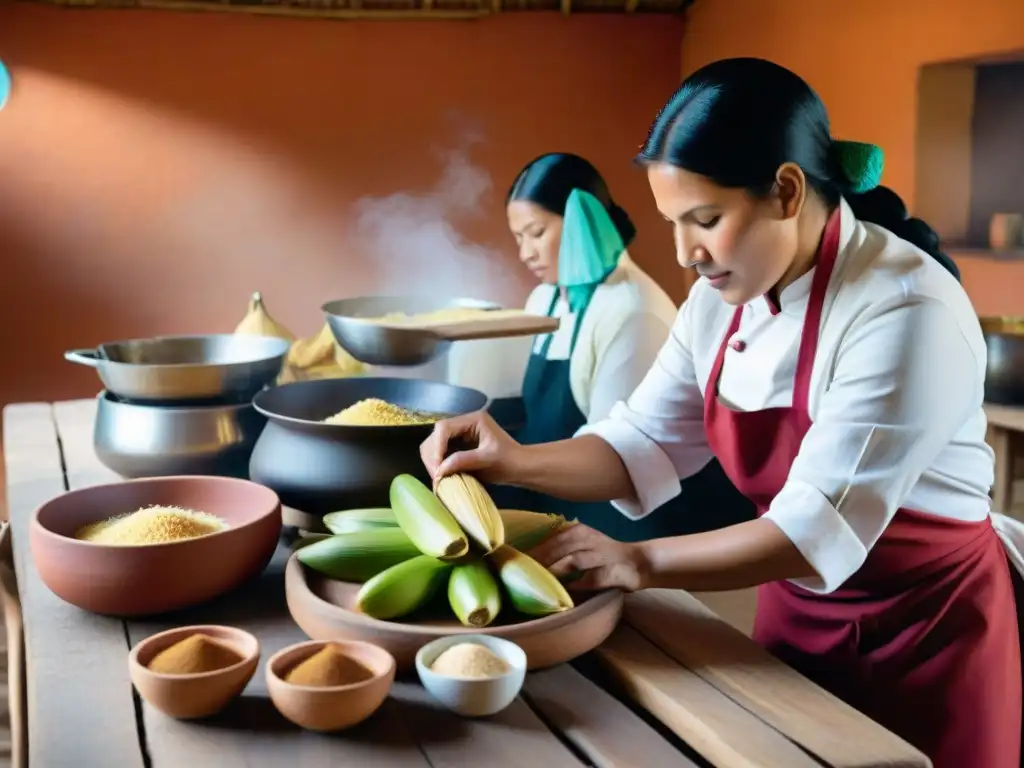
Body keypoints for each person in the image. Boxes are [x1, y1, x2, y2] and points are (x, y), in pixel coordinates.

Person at [422, 59, 1024, 767]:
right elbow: (640, 439)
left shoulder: (905, 309)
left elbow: (810, 531)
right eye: (674, 223)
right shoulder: (721, 299)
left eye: (705, 220)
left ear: (786, 191)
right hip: (794, 615)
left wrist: (638, 560)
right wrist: (513, 461)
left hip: (925, 636)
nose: (686, 253)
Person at [482, 152, 752, 542]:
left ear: (581, 222)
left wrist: (514, 464)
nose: (525, 253)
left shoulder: (632, 309)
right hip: (553, 494)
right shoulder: (544, 300)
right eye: (518, 238)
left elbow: (618, 457)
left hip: (611, 519)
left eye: (537, 233)